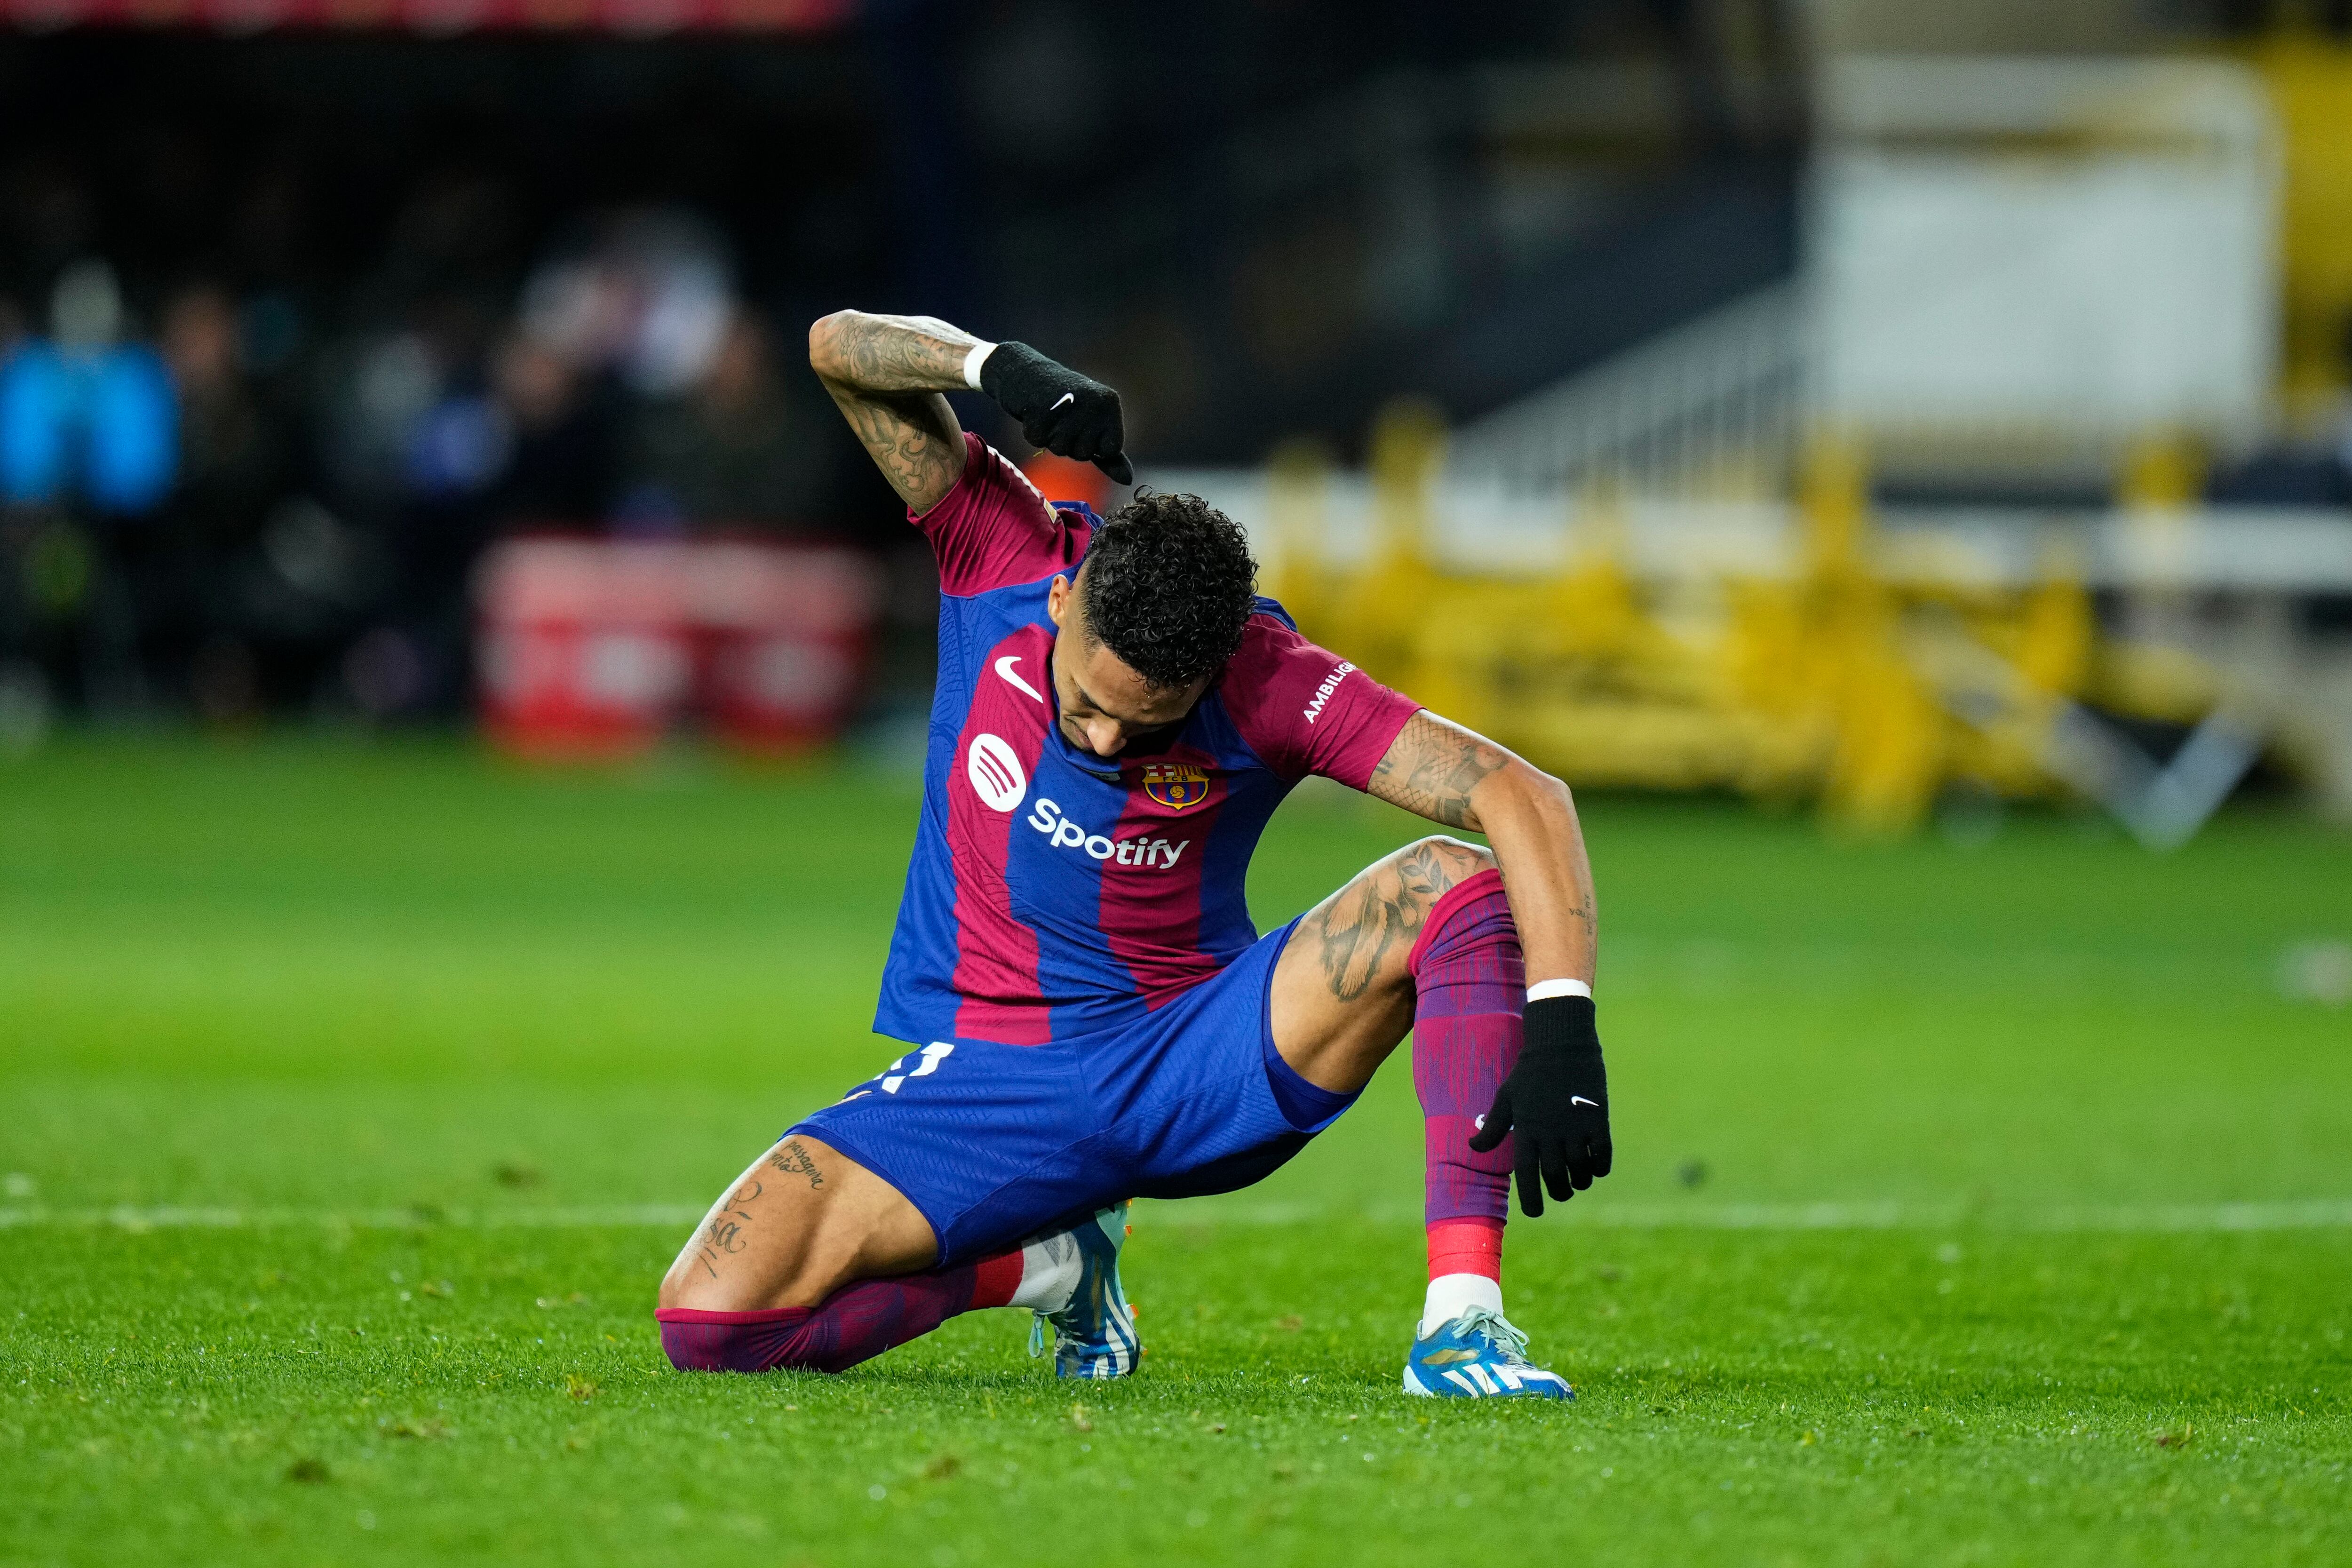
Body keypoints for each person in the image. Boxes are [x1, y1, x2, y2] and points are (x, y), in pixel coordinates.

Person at [655, 312, 1612, 1398]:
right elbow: (835, 348)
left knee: (1445, 880)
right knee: (709, 1324)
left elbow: (1518, 790)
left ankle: (1463, 1326)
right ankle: (1048, 1263)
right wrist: (992, 367)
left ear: (1212, 671)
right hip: (992, 1074)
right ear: (1064, 597)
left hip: (1194, 1061)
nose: (1105, 740)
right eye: (1088, 703)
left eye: (1145, 723)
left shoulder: (1270, 677)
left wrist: (1563, 1014)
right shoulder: (1000, 554)